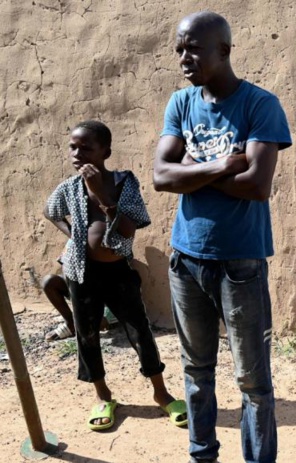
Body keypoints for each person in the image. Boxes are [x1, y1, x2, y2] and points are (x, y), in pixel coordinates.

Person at [152, 11, 292, 463]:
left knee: (253, 382)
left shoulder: (259, 105)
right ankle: (202, 455)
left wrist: (191, 169)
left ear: (224, 50)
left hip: (241, 264)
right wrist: (220, 167)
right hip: (186, 259)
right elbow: (160, 176)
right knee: (196, 372)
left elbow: (257, 186)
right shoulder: (181, 103)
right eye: (179, 49)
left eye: (192, 48)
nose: (183, 58)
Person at [44, 120, 185, 431]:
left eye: (86, 147)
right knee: (87, 334)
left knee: (140, 331)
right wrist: (73, 237)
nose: (77, 153)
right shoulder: (68, 187)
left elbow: (129, 228)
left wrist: (101, 196)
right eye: (73, 147)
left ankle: (161, 394)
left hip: (118, 271)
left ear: (105, 151)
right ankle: (104, 396)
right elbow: (51, 211)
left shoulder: (123, 183)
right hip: (82, 273)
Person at [42, 271, 116, 341]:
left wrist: (106, 315)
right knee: (49, 282)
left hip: (113, 295)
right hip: (85, 289)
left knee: (94, 324)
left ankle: (100, 319)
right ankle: (71, 324)